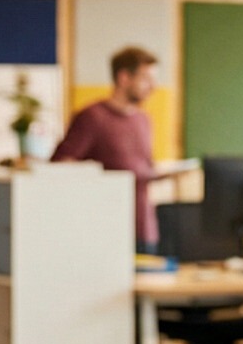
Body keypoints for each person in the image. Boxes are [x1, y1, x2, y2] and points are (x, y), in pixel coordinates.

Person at [51, 47, 163, 251]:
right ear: (124, 78)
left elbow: (145, 165)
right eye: (146, 78)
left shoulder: (143, 120)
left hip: (144, 226)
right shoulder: (92, 117)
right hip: (106, 227)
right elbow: (61, 165)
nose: (153, 86)